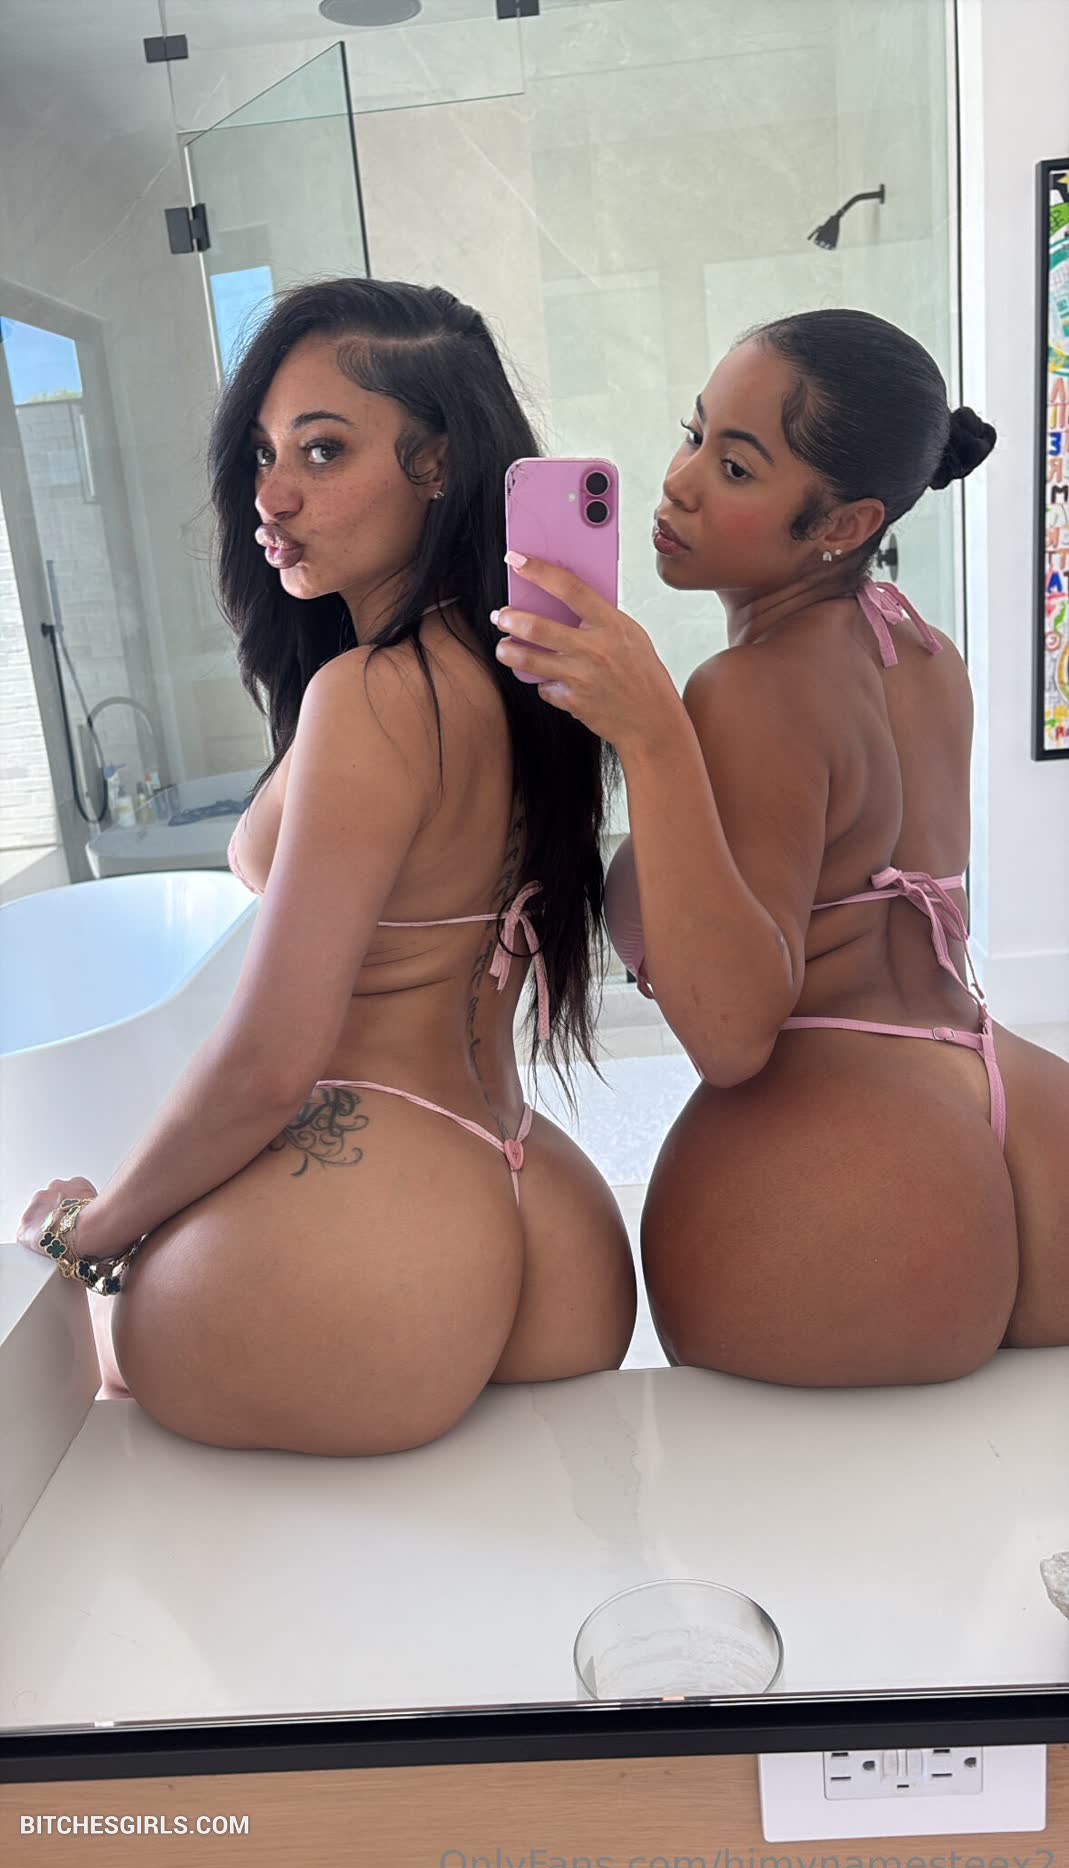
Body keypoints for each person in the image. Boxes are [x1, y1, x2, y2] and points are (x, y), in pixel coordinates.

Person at [18, 279, 635, 1453]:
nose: (271, 495)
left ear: (437, 465)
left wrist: (93, 1232)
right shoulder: (530, 677)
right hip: (541, 1203)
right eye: (262, 453)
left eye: (322, 449)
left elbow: (268, 1062)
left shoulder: (373, 694)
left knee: (104, 1368)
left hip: (376, 1223)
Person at [492, 308, 1069, 1388]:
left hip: (858, 1181)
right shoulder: (917, 646)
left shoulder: (746, 691)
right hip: (1019, 1105)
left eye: (736, 466)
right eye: (694, 432)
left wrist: (651, 734)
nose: (678, 483)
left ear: (843, 522)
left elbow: (731, 1037)